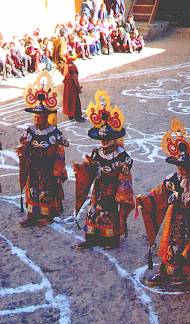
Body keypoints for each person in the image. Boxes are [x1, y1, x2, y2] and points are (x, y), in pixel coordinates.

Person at [136, 118, 190, 286]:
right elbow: (159, 194)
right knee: (173, 249)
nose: (181, 170)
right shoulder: (173, 180)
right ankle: (168, 272)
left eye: (184, 167)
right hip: (177, 222)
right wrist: (145, 201)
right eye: (179, 166)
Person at [74, 89, 134, 249]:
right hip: (98, 189)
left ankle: (111, 239)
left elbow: (129, 163)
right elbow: (91, 169)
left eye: (106, 139)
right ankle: (91, 237)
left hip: (112, 189)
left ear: (113, 140)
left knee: (109, 213)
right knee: (93, 211)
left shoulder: (121, 154)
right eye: (102, 139)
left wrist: (124, 169)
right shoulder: (96, 152)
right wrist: (83, 167)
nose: (103, 142)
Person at [17, 71, 69, 226]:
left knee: (47, 191)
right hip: (34, 166)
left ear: (46, 117)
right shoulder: (29, 130)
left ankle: (48, 213)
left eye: (39, 117)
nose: (36, 119)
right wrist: (22, 150)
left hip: (48, 166)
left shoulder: (54, 131)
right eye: (35, 116)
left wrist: (56, 149)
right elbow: (23, 144)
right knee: (33, 190)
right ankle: (32, 214)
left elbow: (65, 143)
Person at [62, 56, 86, 122]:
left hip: (67, 87)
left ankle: (71, 116)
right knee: (76, 102)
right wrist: (78, 87)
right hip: (72, 87)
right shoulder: (72, 67)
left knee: (69, 101)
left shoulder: (66, 66)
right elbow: (74, 78)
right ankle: (78, 117)